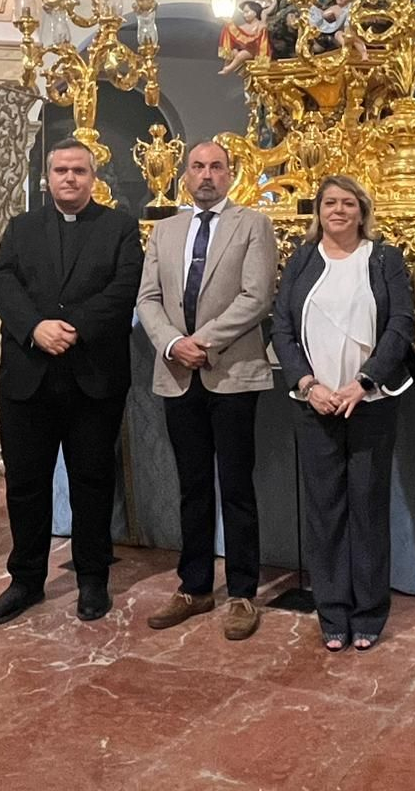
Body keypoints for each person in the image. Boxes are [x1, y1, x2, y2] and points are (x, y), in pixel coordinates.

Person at [0, 138, 143, 626]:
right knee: (25, 484)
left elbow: (125, 286)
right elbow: (0, 280)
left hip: (92, 376)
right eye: (60, 170)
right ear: (46, 178)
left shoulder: (118, 227)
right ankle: (26, 580)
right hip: (28, 378)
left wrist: (69, 328)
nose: (69, 178)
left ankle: (92, 577)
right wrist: (35, 327)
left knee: (92, 481)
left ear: (94, 178)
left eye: (78, 171)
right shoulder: (22, 226)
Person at [137, 140, 278, 641]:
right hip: (178, 376)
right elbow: (148, 298)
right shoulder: (165, 230)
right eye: (198, 167)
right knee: (192, 486)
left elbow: (257, 297)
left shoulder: (253, 225)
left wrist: (204, 340)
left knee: (237, 487)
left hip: (231, 373)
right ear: (185, 175)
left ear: (230, 173)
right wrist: (175, 343)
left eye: (216, 166)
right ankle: (194, 587)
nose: (206, 175)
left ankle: (241, 592)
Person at [270, 175, 415, 651]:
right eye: (329, 202)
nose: (338, 210)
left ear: (362, 210)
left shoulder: (384, 259)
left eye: (347, 203)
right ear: (318, 211)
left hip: (369, 403)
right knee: (324, 510)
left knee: (368, 509)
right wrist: (308, 385)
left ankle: (369, 612)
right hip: (315, 405)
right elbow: (282, 326)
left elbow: (400, 323)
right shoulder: (303, 259)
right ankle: (332, 612)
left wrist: (365, 381)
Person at [217, 0, 272, 75]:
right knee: (233, 52)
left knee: (242, 54)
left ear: (255, 13)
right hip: (246, 48)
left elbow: (255, 38)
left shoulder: (260, 25)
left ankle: (228, 69)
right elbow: (237, 34)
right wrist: (229, 24)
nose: (244, 15)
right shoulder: (243, 27)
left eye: (247, 12)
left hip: (255, 50)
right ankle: (227, 66)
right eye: (243, 12)